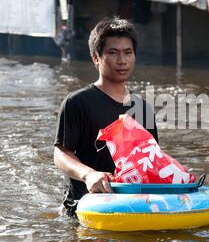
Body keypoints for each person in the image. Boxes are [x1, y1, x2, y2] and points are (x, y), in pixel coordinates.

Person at [54, 16, 158, 217]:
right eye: (113, 53)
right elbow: (60, 153)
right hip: (85, 208)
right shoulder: (77, 102)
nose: (122, 60)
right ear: (96, 57)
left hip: (130, 207)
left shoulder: (143, 108)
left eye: (128, 53)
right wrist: (88, 174)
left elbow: (150, 160)